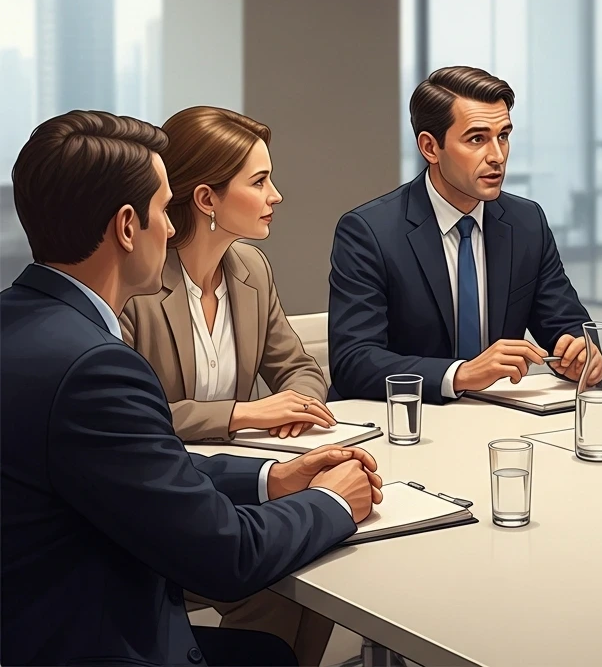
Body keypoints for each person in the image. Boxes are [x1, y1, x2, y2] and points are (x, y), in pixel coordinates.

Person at [1, 111, 382, 667]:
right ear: (129, 227)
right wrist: (332, 502)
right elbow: (227, 556)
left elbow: (137, 463)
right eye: (162, 210)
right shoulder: (95, 366)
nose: (172, 228)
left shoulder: (22, 322)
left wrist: (271, 477)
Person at [120, 106, 337, 664]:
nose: (277, 196)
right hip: (164, 502)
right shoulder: (136, 287)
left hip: (245, 484)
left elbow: (297, 365)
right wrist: (242, 414)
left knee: (313, 569)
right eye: (260, 181)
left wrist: (298, 406)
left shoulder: (251, 269)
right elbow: (132, 421)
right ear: (206, 199)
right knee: (283, 569)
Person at [329, 66, 594, 403]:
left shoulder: (527, 222)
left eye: (504, 136)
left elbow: (567, 324)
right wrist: (459, 374)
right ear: (430, 147)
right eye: (477, 139)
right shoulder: (370, 232)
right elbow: (354, 362)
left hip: (499, 419)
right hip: (405, 423)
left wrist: (582, 352)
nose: (497, 156)